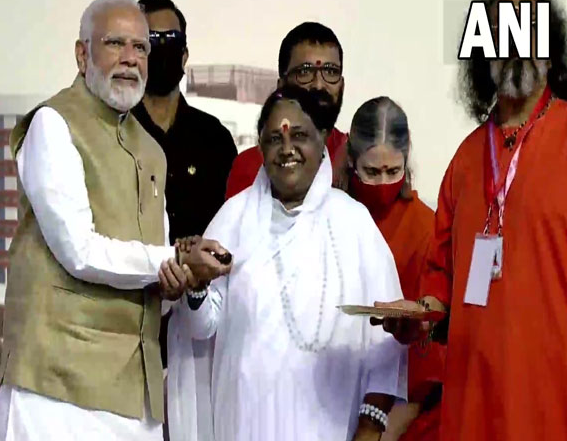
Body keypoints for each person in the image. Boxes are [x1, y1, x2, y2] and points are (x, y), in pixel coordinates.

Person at [0, 0, 230, 441]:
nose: (130, 59)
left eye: (140, 47)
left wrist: (178, 281)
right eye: (114, 43)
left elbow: (153, 275)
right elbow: (79, 251)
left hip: (133, 394)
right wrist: (172, 260)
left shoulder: (151, 151)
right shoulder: (54, 124)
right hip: (54, 387)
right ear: (82, 54)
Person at [376, 0, 567, 440]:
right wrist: (417, 317)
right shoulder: (465, 159)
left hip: (549, 407)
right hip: (470, 412)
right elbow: (440, 282)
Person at [165, 86, 407, 441]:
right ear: (260, 148)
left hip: (331, 428)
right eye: (275, 139)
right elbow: (201, 331)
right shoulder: (233, 219)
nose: (287, 148)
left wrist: (370, 426)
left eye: (300, 136)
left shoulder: (354, 225)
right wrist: (197, 287)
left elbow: (386, 342)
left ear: (323, 140)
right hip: (244, 425)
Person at [335, 97, 442, 441]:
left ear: (406, 160)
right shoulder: (329, 216)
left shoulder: (425, 229)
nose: (382, 184)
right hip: (330, 392)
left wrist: (376, 432)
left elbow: (425, 364)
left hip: (400, 415)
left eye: (393, 172)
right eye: (371, 172)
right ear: (351, 160)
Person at [131, 0, 237, 244]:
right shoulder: (116, 130)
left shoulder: (214, 138)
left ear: (184, 54)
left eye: (172, 39)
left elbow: (234, 224)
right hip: (134, 268)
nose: (162, 47)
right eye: (152, 39)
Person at [225, 22, 349, 198]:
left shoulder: (359, 160)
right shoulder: (250, 168)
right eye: (305, 72)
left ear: (342, 85)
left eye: (330, 71)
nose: (319, 84)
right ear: (281, 86)